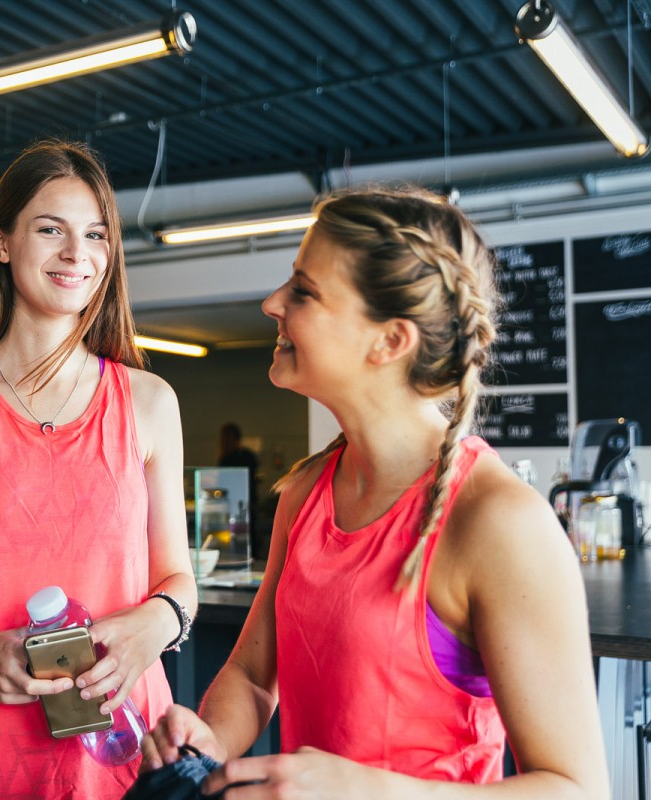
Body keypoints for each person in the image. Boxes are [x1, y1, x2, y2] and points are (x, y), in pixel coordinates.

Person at [142, 188, 609, 798]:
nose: (272, 303)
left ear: (390, 341)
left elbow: (576, 788)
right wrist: (209, 738)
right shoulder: (306, 492)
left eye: (303, 291)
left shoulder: (497, 522)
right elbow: (255, 675)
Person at [0, 139, 196, 799]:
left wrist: (154, 625)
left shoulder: (150, 403)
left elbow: (179, 579)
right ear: (1, 241)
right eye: (51, 230)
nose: (79, 254)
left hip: (126, 743)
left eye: (96, 234)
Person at [217, 421, 259, 546]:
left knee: (246, 536)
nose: (225, 443)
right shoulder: (225, 459)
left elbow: (250, 481)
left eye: (228, 439)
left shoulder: (244, 456)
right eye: (223, 439)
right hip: (232, 505)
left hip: (244, 504)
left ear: (236, 439)